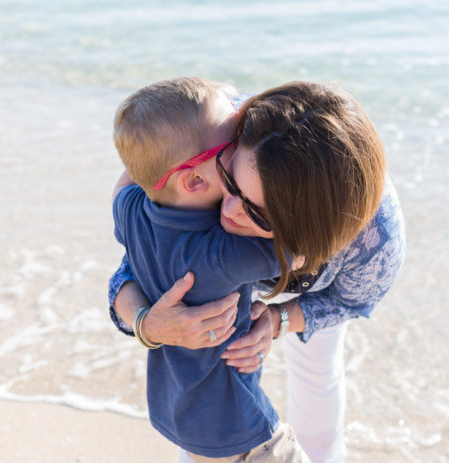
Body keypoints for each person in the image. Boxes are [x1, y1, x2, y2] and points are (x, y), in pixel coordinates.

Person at [110, 81, 406, 462]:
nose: (229, 211)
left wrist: (281, 318)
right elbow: (139, 261)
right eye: (230, 182)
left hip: (319, 277)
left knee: (318, 367)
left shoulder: (373, 241)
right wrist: (148, 323)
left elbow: (353, 301)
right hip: (242, 273)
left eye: (255, 210)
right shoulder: (217, 147)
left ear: (306, 227)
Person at [111, 76, 310, 462]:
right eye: (233, 142)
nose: (243, 145)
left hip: (180, 412)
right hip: (242, 427)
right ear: (195, 179)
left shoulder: (129, 211)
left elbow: (128, 179)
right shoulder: (222, 253)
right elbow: (299, 253)